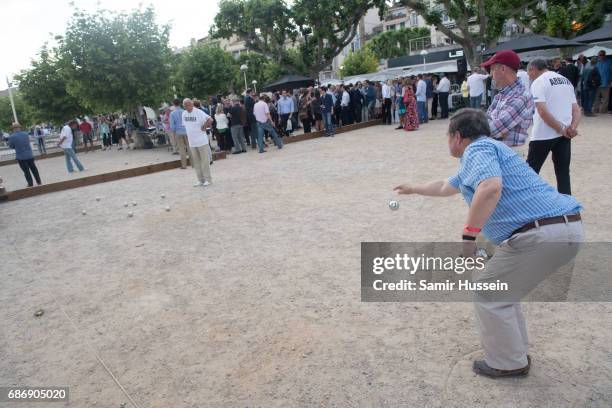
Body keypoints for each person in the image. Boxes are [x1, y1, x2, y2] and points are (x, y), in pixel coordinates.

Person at [394, 108, 584, 378]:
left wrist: (468, 238)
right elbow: (444, 186)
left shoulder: (478, 150)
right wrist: (413, 188)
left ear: (457, 136)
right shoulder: (485, 153)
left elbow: (490, 188)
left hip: (542, 233)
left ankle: (509, 363)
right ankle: (513, 354)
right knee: (503, 292)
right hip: (563, 228)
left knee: (488, 293)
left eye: (447, 136)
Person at [526, 58, 581, 195]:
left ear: (533, 69)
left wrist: (562, 129)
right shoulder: (565, 80)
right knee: (563, 172)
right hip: (564, 134)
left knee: (529, 173)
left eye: (529, 72)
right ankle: (567, 206)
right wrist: (572, 128)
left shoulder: (539, 82)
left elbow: (543, 111)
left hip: (544, 134)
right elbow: (576, 110)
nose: (528, 76)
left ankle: (527, 205)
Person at [482, 50, 534, 156]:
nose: (490, 75)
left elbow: (493, 129)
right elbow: (485, 121)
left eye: (492, 69)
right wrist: (500, 132)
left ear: (503, 69)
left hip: (510, 155)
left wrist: (495, 129)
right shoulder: (500, 95)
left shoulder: (522, 96)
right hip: (499, 151)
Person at [182, 98, 213, 187]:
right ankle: (200, 180)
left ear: (191, 104)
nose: (186, 107)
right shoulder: (184, 114)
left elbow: (210, 119)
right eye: (184, 105)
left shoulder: (198, 112)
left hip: (201, 141)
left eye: (187, 105)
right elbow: (186, 126)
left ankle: (208, 179)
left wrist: (204, 126)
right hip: (192, 142)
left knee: (204, 161)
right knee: (196, 162)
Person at [8, 123, 42, 187]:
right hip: (29, 155)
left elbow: (11, 146)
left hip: (21, 156)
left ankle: (30, 184)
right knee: (34, 169)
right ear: (20, 128)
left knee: (26, 171)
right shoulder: (26, 134)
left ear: (14, 129)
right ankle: (39, 182)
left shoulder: (12, 136)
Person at [170, 98, 189, 169]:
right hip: (186, 131)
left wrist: (174, 132)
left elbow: (172, 125)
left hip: (178, 132)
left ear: (173, 104)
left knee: (181, 149)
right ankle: (193, 163)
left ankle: (184, 165)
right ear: (180, 103)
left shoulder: (172, 113)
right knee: (189, 147)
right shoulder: (184, 111)